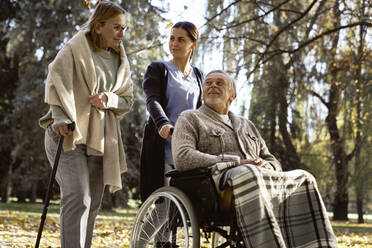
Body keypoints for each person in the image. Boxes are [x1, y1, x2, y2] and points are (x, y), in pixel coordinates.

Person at [172, 70, 338, 248]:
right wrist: (235, 162)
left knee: (304, 177)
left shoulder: (247, 125)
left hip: (260, 180)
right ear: (203, 91)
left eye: (219, 83)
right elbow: (183, 157)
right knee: (248, 172)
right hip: (216, 186)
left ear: (232, 95)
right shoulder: (190, 118)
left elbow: (270, 158)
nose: (212, 85)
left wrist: (269, 165)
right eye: (208, 83)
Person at [39, 2, 133, 247]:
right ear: (98, 26)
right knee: (78, 197)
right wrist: (59, 118)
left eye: (124, 28)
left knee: (92, 202)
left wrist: (108, 99)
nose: (122, 34)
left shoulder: (119, 59)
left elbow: (126, 100)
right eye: (117, 27)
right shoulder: (74, 49)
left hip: (99, 138)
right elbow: (55, 82)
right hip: (67, 133)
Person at [140, 21, 204, 202]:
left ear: (194, 44)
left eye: (181, 40)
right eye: (172, 38)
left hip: (188, 143)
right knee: (162, 203)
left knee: (184, 204)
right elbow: (152, 100)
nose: (174, 44)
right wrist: (163, 123)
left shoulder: (198, 75)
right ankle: (148, 231)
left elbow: (200, 110)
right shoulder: (158, 69)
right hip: (164, 140)